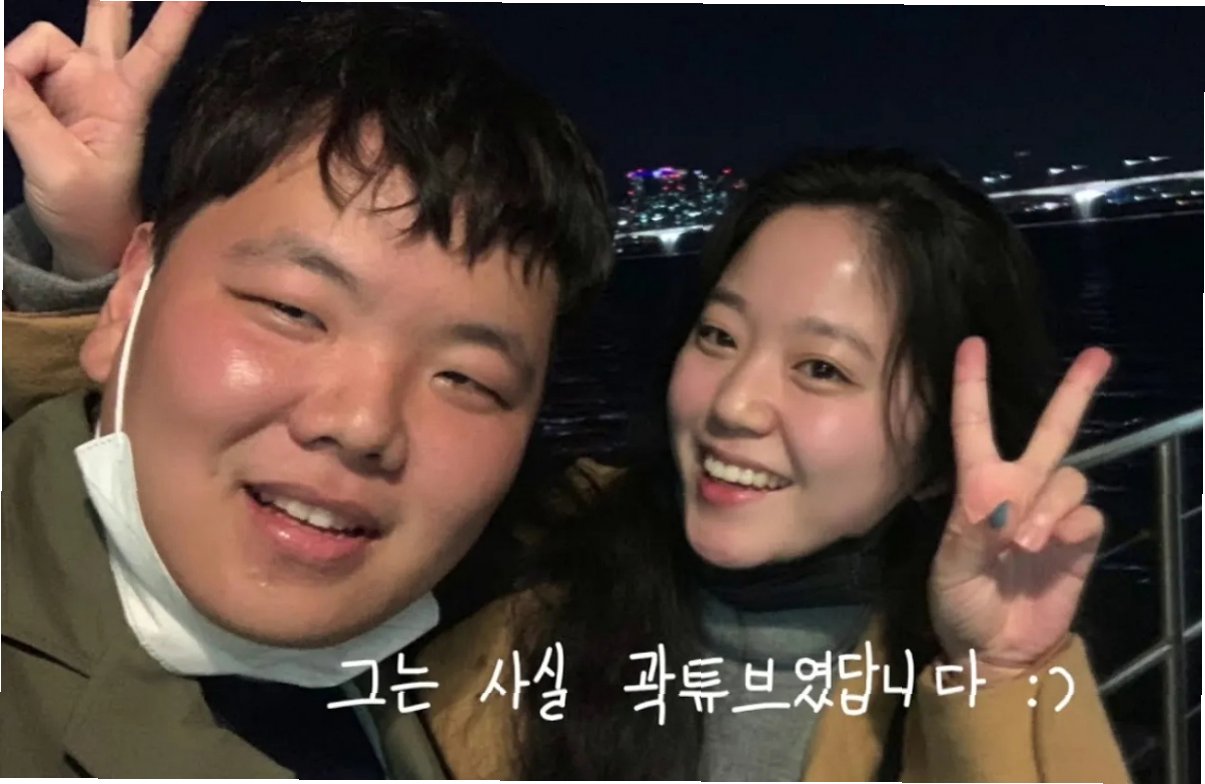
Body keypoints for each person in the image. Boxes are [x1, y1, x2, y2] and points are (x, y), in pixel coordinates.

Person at [0, 1, 611, 777]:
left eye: (465, 378)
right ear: (126, 298)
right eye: (292, 311)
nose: (361, 423)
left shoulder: (519, 628)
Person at [410, 149, 1133, 782]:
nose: (734, 404)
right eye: (718, 335)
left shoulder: (968, 664)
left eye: (821, 368)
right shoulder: (514, 584)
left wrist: (998, 675)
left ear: (936, 460)